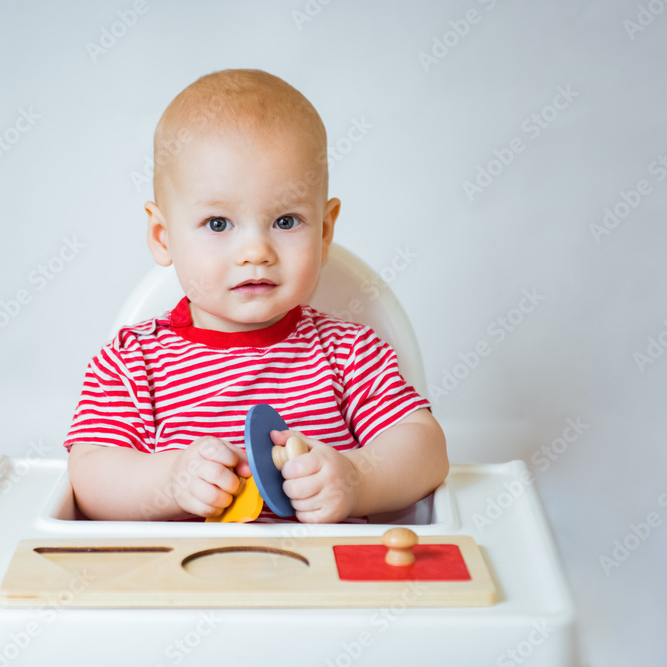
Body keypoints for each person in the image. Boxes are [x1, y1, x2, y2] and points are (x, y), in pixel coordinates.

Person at [64, 69, 448, 523]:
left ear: (324, 232)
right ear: (162, 236)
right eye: (218, 224)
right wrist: (170, 481)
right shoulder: (132, 363)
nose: (255, 252)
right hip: (179, 569)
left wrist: (356, 479)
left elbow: (425, 449)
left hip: (324, 568)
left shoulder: (349, 354)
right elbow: (89, 478)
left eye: (285, 221)